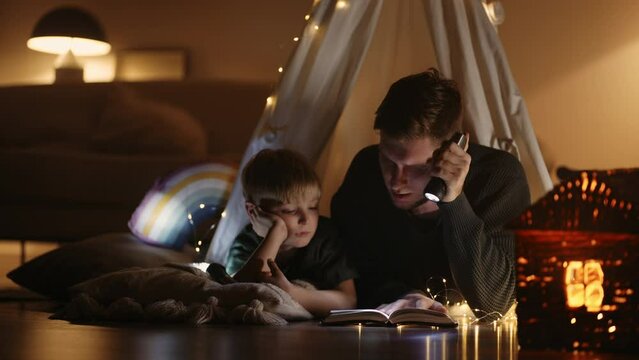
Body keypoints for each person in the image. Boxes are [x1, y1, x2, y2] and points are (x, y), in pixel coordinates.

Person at [331, 69, 531, 316]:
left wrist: (454, 200)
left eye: (417, 167)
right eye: (387, 160)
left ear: (456, 148)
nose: (396, 181)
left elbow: (494, 304)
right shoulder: (365, 173)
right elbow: (351, 273)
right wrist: (404, 296)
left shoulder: (499, 178)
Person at [226, 149, 357, 317]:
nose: (305, 219)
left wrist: (290, 291)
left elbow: (348, 301)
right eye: (289, 210)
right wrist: (276, 232)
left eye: (313, 207)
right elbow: (236, 293)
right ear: (254, 211)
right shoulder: (247, 242)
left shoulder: (325, 238)